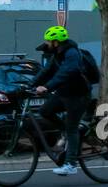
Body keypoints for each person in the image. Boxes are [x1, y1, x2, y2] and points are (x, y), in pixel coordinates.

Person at [32, 26, 94, 177]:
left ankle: (71, 164)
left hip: (78, 95)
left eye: (48, 40)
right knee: (44, 111)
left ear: (56, 42)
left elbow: (66, 72)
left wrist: (47, 87)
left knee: (72, 128)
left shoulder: (71, 53)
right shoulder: (57, 54)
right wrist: (30, 84)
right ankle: (66, 130)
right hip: (64, 93)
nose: (46, 43)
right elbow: (46, 71)